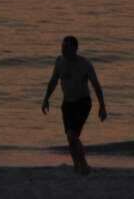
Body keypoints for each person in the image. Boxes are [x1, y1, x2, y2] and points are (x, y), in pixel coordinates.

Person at [41, 35, 107, 175]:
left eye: (66, 47)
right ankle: (77, 166)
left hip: (83, 102)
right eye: (62, 47)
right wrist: (46, 99)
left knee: (72, 135)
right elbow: (53, 81)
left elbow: (96, 85)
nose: (63, 50)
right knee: (71, 138)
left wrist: (102, 106)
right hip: (67, 104)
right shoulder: (59, 62)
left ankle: (84, 165)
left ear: (75, 49)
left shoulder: (85, 64)